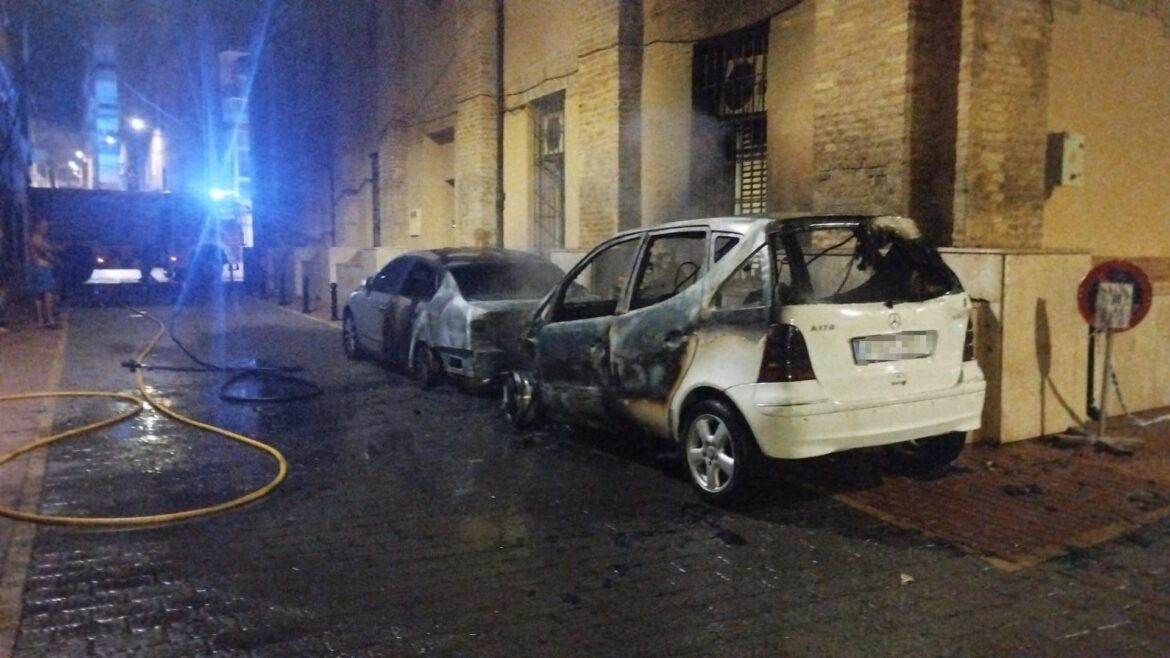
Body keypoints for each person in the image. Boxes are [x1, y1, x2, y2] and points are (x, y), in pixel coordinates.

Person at [28, 219, 58, 329]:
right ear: (37, 226)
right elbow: (43, 251)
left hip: (41, 268)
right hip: (42, 268)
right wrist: (51, 251)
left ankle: (41, 320)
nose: (46, 228)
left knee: (40, 295)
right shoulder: (36, 238)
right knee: (47, 294)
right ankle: (49, 320)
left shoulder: (40, 238)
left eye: (47, 226)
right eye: (43, 226)